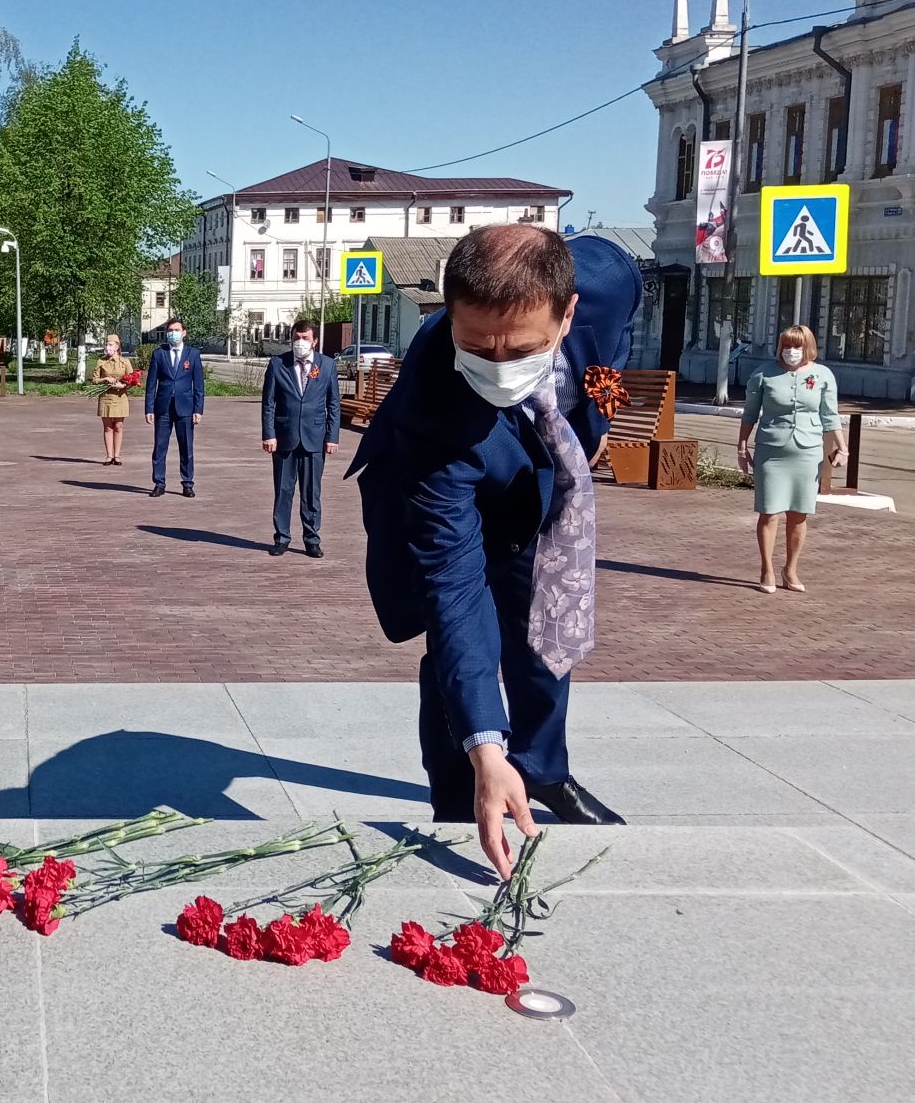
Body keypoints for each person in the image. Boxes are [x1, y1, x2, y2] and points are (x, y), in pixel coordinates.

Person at [348, 226, 640, 878]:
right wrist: (485, 747)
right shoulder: (434, 404)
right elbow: (457, 591)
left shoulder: (609, 280)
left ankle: (540, 769)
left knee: (542, 629)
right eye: (479, 347)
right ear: (447, 314)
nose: (501, 368)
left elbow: (608, 347)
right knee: (460, 633)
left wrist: (593, 420)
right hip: (446, 482)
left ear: (567, 313)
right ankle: (464, 786)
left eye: (524, 348)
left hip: (533, 481)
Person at [738, 324, 843, 594]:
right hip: (771, 452)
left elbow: (830, 415)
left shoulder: (823, 375)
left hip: (807, 453)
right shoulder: (764, 374)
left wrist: (843, 448)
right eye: (786, 346)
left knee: (799, 514)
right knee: (769, 511)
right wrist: (742, 447)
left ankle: (791, 569)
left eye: (797, 346)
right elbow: (750, 413)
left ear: (808, 348)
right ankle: (767, 569)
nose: (791, 351)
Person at [260, 319, 341, 557]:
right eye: (297, 337)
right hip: (284, 438)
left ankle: (312, 538)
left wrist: (332, 436)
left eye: (305, 338)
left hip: (315, 438)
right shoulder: (278, 364)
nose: (300, 342)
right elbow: (269, 404)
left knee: (311, 492)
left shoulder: (326, 365)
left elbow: (333, 404)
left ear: (315, 341)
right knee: (284, 490)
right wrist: (269, 434)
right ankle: (282, 537)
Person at [144, 318, 204, 497]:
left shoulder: (192, 354)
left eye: (176, 330)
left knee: (186, 447)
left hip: (185, 408)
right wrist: (149, 408)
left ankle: (187, 483)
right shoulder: (159, 354)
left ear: (184, 332)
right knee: (160, 447)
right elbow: (151, 384)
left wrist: (198, 409)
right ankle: (159, 483)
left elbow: (199, 385)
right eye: (170, 330)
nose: (173, 333)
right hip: (162, 408)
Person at [93, 333, 131, 464]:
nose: (107, 347)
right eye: (106, 344)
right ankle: (109, 456)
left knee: (118, 426)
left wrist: (122, 385)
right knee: (108, 427)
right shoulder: (101, 362)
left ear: (117, 346)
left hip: (120, 398)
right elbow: (94, 380)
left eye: (110, 344)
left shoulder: (125, 362)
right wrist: (105, 379)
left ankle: (117, 456)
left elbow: (132, 380)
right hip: (106, 398)